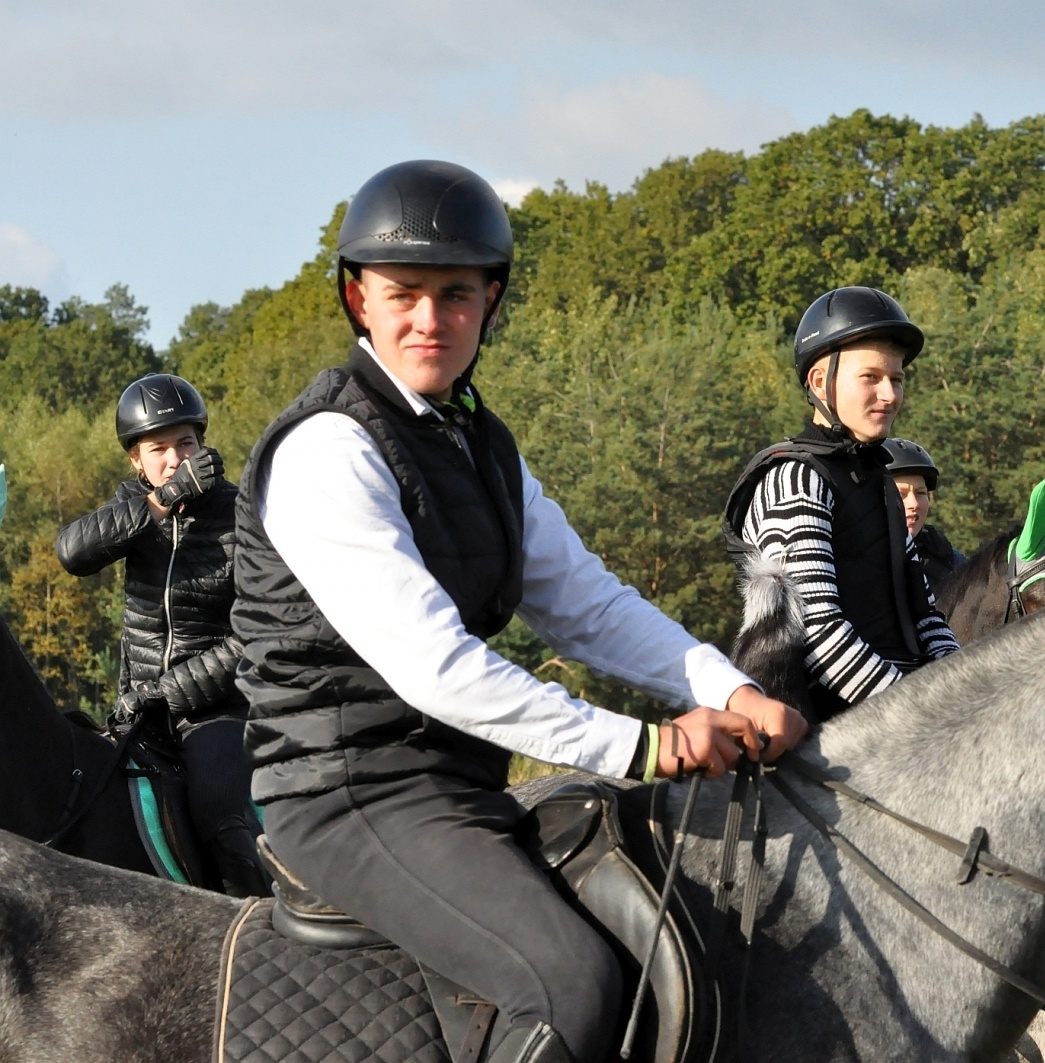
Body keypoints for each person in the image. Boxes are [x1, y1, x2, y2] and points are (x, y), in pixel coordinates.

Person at [231, 160, 804, 1063]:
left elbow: (587, 604)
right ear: (358, 300)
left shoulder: (479, 444)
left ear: (491, 301)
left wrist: (726, 686)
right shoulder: (327, 449)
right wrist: (645, 745)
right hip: (346, 792)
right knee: (567, 980)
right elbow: (436, 668)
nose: (430, 319)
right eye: (403, 293)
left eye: (456, 293)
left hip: (452, 786)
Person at [55, 373, 268, 897]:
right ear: (137, 460)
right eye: (159, 449)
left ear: (203, 443)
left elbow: (253, 637)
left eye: (186, 443)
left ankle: (261, 924)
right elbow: (72, 552)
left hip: (218, 708)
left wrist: (168, 693)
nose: (175, 458)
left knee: (219, 812)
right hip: (136, 710)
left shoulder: (240, 516)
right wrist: (160, 504)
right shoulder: (133, 508)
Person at [723, 287, 959, 723]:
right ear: (819, 383)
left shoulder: (880, 482)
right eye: (871, 378)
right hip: (817, 726)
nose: (890, 395)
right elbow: (817, 631)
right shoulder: (797, 479)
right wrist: (920, 713)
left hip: (882, 709)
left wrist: (966, 689)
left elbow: (925, 617)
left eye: (898, 379)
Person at [881, 437, 965, 588]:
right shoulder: (850, 560)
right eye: (901, 494)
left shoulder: (951, 561)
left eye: (920, 493)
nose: (914, 504)